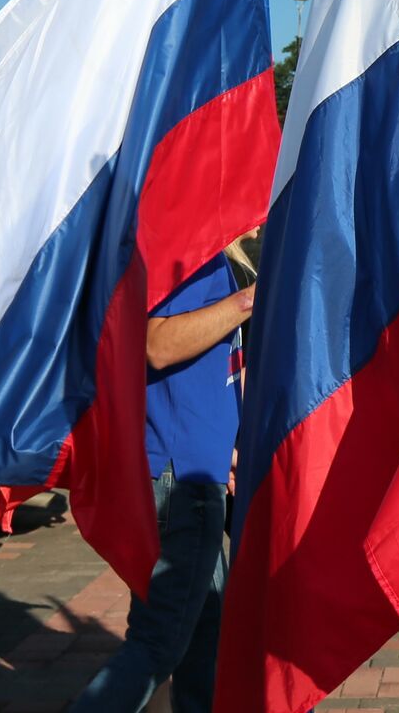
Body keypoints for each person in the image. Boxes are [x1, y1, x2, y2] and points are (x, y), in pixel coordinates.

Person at [72, 230, 258, 713]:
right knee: (159, 643)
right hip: (182, 484)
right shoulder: (188, 249)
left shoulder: (207, 255)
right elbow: (157, 343)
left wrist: (226, 451)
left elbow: (198, 384)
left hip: (193, 472)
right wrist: (245, 303)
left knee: (203, 637)